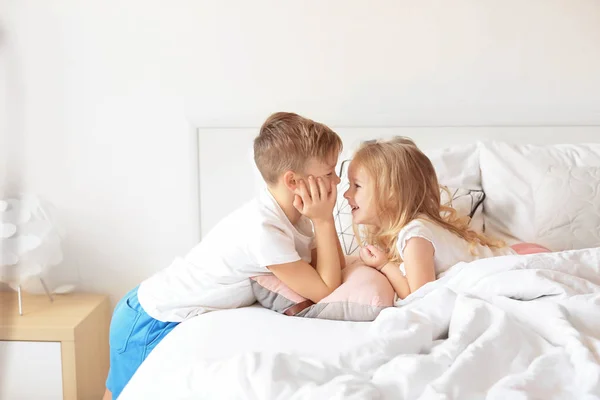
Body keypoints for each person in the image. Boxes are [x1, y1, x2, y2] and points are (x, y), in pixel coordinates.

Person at [103, 112, 345, 399]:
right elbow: (325, 289)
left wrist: (319, 220)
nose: (338, 179)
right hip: (153, 317)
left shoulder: (297, 214)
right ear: (292, 181)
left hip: (155, 309)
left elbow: (332, 268)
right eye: (329, 172)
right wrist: (325, 220)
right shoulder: (265, 229)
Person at [343, 137, 514, 300]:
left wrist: (384, 265)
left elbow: (419, 297)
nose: (346, 194)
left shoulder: (415, 236)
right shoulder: (406, 233)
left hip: (507, 265)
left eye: (356, 186)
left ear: (391, 193)